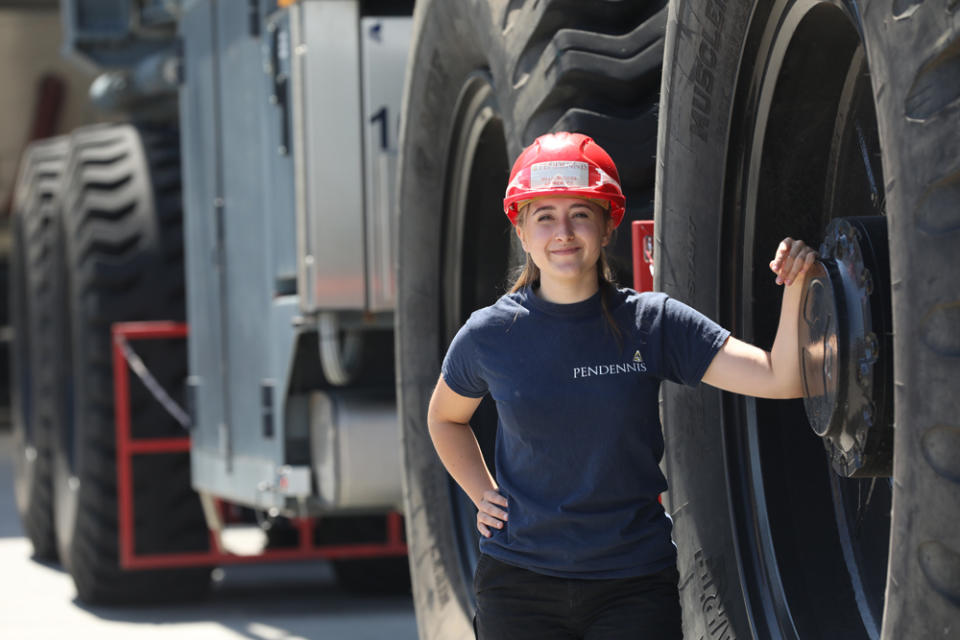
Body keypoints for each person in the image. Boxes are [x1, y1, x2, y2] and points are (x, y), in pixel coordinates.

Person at [427, 132, 817, 639]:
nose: (563, 231)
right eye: (544, 215)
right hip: (517, 586)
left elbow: (780, 377)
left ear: (609, 224)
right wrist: (483, 494)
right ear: (521, 231)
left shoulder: (652, 324)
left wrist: (797, 284)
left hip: (632, 586)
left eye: (581, 214)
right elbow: (444, 417)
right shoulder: (489, 334)